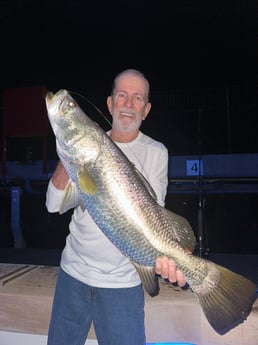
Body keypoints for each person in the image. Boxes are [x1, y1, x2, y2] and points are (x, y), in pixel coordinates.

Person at [46, 69, 186, 345]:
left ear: (145, 110)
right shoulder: (90, 146)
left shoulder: (156, 152)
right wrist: (71, 154)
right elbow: (52, 205)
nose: (128, 104)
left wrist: (176, 256)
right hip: (72, 276)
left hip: (123, 285)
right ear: (110, 104)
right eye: (122, 95)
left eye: (137, 98)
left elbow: (151, 217)